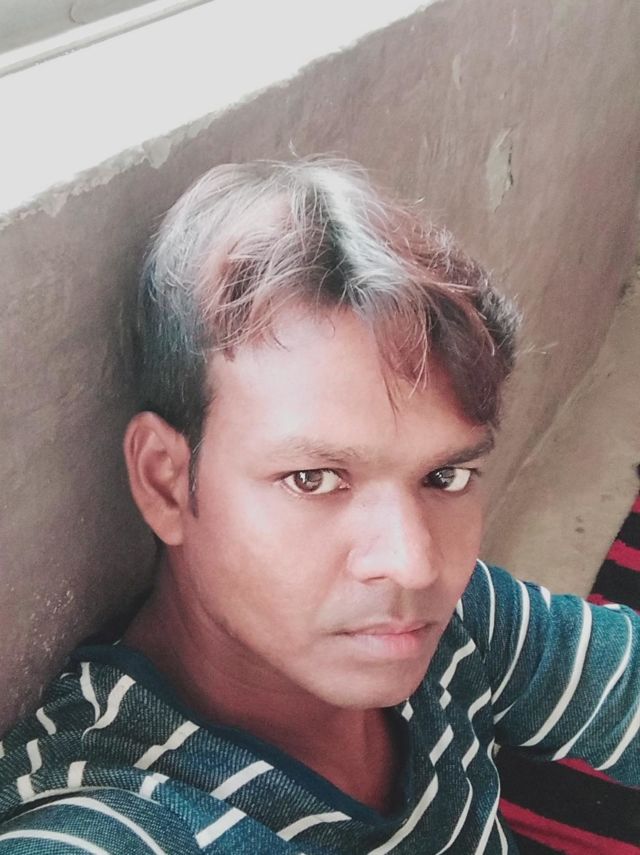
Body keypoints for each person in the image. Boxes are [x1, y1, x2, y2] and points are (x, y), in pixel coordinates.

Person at [0, 159, 637, 854]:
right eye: (313, 478)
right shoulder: (118, 818)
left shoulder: (456, 618)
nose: (414, 563)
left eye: (445, 474)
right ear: (166, 483)